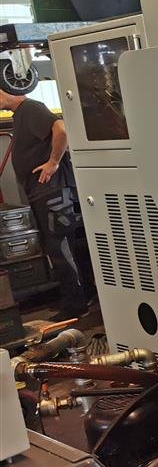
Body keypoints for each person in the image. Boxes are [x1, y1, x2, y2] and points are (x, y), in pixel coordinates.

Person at [0, 90, 92, 319]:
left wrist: (53, 163)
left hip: (53, 192)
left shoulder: (31, 108)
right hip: (43, 193)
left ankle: (76, 305)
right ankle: (80, 296)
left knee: (61, 247)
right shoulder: (20, 114)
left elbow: (61, 129)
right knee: (60, 247)